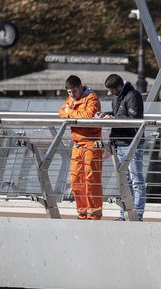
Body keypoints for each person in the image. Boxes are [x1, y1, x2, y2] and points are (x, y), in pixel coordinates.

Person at [101, 73, 146, 221]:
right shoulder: (117, 97)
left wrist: (115, 118)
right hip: (119, 143)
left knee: (136, 180)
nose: (110, 93)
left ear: (119, 87)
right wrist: (106, 115)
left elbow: (135, 119)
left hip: (132, 143)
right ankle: (124, 214)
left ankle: (137, 214)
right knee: (124, 181)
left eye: (112, 90)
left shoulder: (133, 95)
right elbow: (118, 114)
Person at [58, 74, 104, 220]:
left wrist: (70, 112)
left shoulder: (91, 97)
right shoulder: (71, 99)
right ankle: (82, 212)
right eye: (69, 93)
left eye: (73, 92)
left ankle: (94, 214)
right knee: (75, 180)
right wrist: (73, 114)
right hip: (77, 144)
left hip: (91, 143)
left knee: (91, 179)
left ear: (80, 87)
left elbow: (88, 116)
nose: (72, 95)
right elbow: (61, 113)